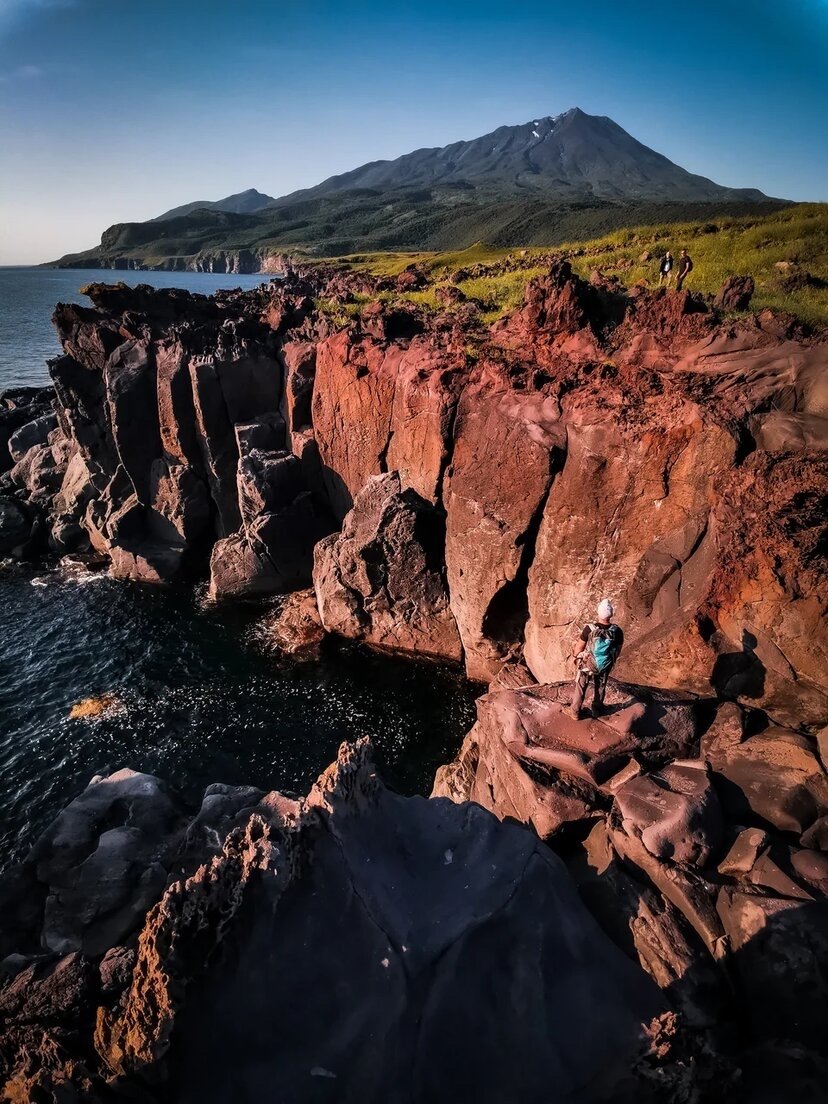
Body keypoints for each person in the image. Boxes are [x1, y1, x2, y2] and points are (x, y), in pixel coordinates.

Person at [568, 599, 624, 719]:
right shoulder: (617, 631)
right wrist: (610, 661)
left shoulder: (590, 629)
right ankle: (597, 709)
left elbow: (579, 646)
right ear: (611, 614)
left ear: (599, 613)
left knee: (581, 684)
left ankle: (575, 711)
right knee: (600, 685)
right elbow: (618, 650)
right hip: (605, 664)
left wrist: (576, 656)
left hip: (589, 664)